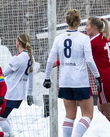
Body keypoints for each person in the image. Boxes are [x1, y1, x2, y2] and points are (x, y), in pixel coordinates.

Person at [43, 9, 102, 137]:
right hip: (80, 81)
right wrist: (97, 76)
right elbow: (90, 61)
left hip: (65, 81)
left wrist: (47, 78)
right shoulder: (84, 38)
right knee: (87, 115)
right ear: (79, 22)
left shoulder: (58, 38)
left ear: (66, 21)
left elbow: (50, 60)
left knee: (69, 115)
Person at [0, 34, 34, 135]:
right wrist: (30, 93)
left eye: (16, 40)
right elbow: (31, 78)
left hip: (11, 93)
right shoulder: (30, 57)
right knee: (3, 117)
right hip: (19, 94)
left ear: (19, 43)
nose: (15, 42)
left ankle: (10, 135)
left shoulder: (18, 58)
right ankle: (10, 134)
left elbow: (4, 73)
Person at [85, 16, 110, 121]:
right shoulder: (106, 37)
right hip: (107, 77)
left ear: (94, 27)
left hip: (105, 79)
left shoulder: (93, 42)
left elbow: (79, 55)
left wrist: (58, 62)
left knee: (105, 109)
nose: (85, 28)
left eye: (87, 25)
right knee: (100, 107)